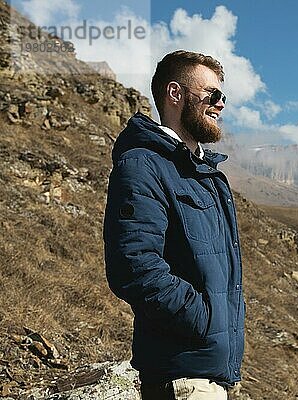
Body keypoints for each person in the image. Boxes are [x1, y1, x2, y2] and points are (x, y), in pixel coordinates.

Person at [103, 50, 244, 400]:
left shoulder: (205, 174)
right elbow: (134, 267)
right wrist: (205, 320)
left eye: (222, 96)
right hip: (182, 380)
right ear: (175, 94)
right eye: (211, 94)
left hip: (209, 379)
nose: (221, 104)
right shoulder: (143, 164)